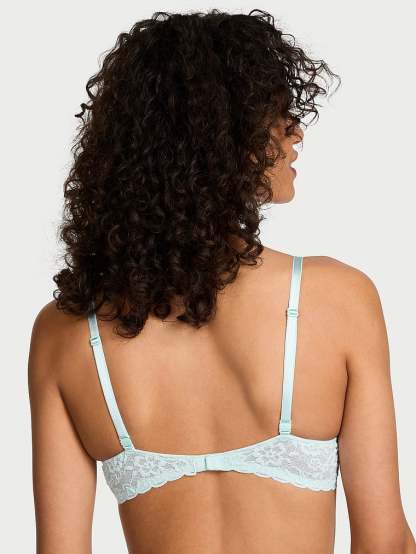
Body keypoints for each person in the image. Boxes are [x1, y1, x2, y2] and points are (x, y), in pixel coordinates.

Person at [28, 8, 416, 554]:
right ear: (222, 139)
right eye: (276, 116)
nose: (295, 132)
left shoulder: (66, 333)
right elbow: (385, 543)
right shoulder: (337, 298)